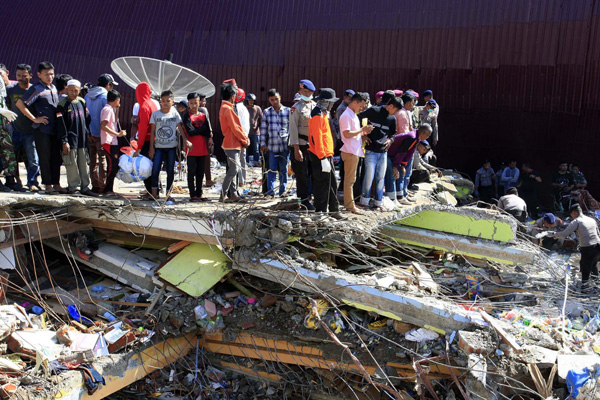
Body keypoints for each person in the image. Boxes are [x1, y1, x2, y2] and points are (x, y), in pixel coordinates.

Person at [16, 61, 66, 194]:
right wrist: (34, 119)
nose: (49, 77)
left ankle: (56, 184)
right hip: (42, 129)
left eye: (51, 74)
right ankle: (47, 185)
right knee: (44, 158)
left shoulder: (53, 88)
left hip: (54, 129)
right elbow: (20, 103)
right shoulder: (37, 88)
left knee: (56, 157)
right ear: (39, 75)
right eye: (46, 74)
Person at [357, 96, 402, 210]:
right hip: (371, 150)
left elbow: (393, 133)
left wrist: (390, 140)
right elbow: (357, 118)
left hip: (383, 152)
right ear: (391, 106)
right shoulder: (374, 110)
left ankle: (378, 202)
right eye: (395, 110)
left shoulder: (392, 119)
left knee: (380, 177)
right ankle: (364, 202)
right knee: (369, 176)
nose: (395, 113)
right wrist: (363, 134)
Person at [149, 90, 192, 203]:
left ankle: (168, 194)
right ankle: (154, 193)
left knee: (170, 171)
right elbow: (152, 132)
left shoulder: (174, 114)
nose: (164, 103)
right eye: (162, 101)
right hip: (158, 147)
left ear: (173, 102)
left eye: (167, 101)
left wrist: (186, 140)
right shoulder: (155, 114)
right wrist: (151, 148)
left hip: (171, 147)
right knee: (155, 170)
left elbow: (181, 129)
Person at [56, 80, 96, 196]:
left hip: (82, 139)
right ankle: (74, 187)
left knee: (84, 163)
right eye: (71, 90)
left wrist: (87, 133)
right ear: (67, 89)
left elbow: (87, 119)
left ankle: (85, 187)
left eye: (76, 90)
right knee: (72, 163)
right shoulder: (62, 104)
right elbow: (60, 125)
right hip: (70, 139)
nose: (74, 92)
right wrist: (64, 141)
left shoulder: (82, 102)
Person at [5, 64, 40, 191]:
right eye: (18, 75)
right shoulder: (11, 89)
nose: (20, 78)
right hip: (15, 130)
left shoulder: (35, 90)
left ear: (30, 75)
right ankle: (15, 181)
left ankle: (32, 182)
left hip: (30, 131)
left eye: (24, 76)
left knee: (33, 159)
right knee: (12, 158)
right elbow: (8, 106)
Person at [307, 88, 342, 216]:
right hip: (320, 155)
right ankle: (321, 210)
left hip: (325, 154)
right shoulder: (317, 114)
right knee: (322, 183)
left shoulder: (322, 113)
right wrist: (322, 158)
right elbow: (317, 138)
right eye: (331, 102)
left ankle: (333, 209)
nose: (332, 105)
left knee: (331, 183)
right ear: (326, 102)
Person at [548, 204, 600, 286]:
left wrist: (554, 234)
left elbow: (564, 234)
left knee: (585, 269)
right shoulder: (591, 220)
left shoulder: (576, 221)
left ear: (575, 212)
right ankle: (597, 285)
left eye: (571, 214)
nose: (571, 216)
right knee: (593, 265)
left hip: (588, 248)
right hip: (598, 247)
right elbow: (598, 233)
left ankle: (584, 290)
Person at [339, 92, 371, 214]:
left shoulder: (352, 114)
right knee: (349, 180)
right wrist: (362, 130)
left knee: (351, 180)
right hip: (350, 151)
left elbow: (352, 133)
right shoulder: (347, 115)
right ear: (354, 102)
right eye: (361, 105)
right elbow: (346, 133)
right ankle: (350, 205)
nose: (362, 108)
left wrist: (363, 133)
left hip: (353, 150)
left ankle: (350, 204)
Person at [85, 74, 118, 193]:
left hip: (90, 133)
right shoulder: (105, 97)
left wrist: (88, 131)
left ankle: (95, 185)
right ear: (108, 85)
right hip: (102, 135)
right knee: (103, 160)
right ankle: (103, 185)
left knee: (93, 160)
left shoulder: (87, 96)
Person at [387, 124, 433, 205]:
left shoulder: (417, 138)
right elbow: (402, 152)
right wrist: (395, 166)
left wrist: (403, 165)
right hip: (388, 154)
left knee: (401, 174)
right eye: (427, 135)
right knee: (393, 174)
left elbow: (409, 153)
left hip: (395, 156)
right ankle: (392, 199)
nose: (428, 137)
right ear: (423, 133)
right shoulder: (411, 137)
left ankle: (400, 197)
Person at [289, 79, 316, 210]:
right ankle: (304, 200)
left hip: (313, 145)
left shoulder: (315, 106)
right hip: (300, 144)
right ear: (300, 92)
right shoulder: (296, 108)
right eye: (303, 91)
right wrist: (296, 148)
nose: (306, 93)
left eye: (308, 91)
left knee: (312, 172)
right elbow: (293, 128)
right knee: (301, 173)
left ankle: (311, 197)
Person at [219, 82, 249, 202]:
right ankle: (223, 195)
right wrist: (244, 139)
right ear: (232, 96)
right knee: (234, 170)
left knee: (232, 169)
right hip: (232, 144)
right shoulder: (228, 109)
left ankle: (233, 194)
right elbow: (235, 127)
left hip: (231, 143)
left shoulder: (225, 108)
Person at [260, 89, 290, 197]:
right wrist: (262, 144)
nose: (275, 102)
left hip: (284, 146)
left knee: (284, 169)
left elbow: (291, 128)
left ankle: (283, 191)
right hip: (272, 147)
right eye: (272, 100)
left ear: (280, 97)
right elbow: (263, 129)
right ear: (269, 100)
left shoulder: (288, 111)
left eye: (276, 99)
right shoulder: (267, 112)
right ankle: (271, 192)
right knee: (271, 170)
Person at [182, 92, 211, 202]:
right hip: (191, 149)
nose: (194, 105)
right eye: (191, 103)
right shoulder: (186, 116)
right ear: (188, 103)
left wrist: (202, 131)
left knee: (200, 172)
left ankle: (199, 193)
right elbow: (190, 131)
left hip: (202, 148)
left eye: (196, 103)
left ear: (199, 103)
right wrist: (202, 130)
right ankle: (192, 194)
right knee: (191, 172)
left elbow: (207, 130)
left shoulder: (203, 115)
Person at [132, 82, 159, 200]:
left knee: (146, 168)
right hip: (155, 140)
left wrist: (139, 147)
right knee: (153, 167)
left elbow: (142, 128)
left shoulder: (143, 106)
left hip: (147, 141)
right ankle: (153, 191)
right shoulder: (153, 104)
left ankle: (151, 193)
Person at [100, 89, 126, 197]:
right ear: (116, 100)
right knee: (112, 166)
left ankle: (110, 189)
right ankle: (107, 190)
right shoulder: (107, 109)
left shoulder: (111, 109)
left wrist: (117, 110)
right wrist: (117, 133)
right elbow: (103, 125)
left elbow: (114, 121)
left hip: (112, 141)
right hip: (109, 142)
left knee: (114, 165)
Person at [0, 64, 20, 192]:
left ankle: (10, 179)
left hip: (3, 123)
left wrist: (5, 111)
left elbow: (2, 99)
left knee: (8, 151)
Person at [197, 94, 214, 187]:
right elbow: (208, 124)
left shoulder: (191, 111)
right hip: (204, 137)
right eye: (203, 101)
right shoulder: (203, 110)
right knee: (206, 159)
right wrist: (210, 135)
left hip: (195, 138)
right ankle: (208, 179)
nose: (204, 103)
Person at [234, 88, 249, 187]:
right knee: (242, 160)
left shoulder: (237, 108)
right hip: (244, 136)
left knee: (237, 160)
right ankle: (243, 179)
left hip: (238, 137)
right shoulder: (244, 108)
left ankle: (240, 181)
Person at [245, 93, 262, 166]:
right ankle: (246, 162)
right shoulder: (245, 108)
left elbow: (261, 119)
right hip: (246, 131)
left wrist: (260, 127)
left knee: (256, 148)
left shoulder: (257, 108)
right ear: (247, 100)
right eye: (249, 100)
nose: (251, 102)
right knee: (246, 148)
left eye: (252, 100)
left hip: (256, 132)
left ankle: (256, 161)